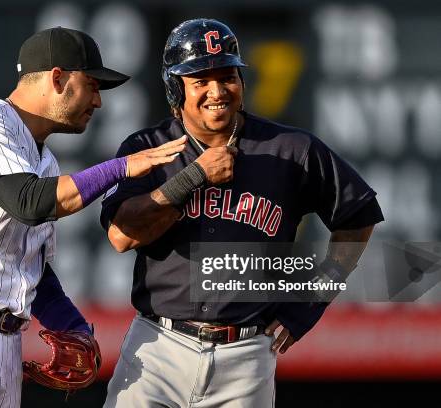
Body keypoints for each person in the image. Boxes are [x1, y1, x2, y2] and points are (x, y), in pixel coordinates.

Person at [0, 27, 186, 407]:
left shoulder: (46, 161)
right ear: (58, 78)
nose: (99, 101)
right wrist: (122, 167)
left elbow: (33, 268)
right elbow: (29, 202)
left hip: (5, 343)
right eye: (92, 85)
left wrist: (74, 328)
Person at [100, 18, 384, 407]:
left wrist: (311, 300)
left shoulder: (291, 149)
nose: (217, 91)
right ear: (174, 87)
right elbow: (122, 235)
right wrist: (194, 176)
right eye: (200, 80)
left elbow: (358, 217)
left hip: (246, 356)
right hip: (156, 349)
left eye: (228, 76)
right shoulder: (148, 148)